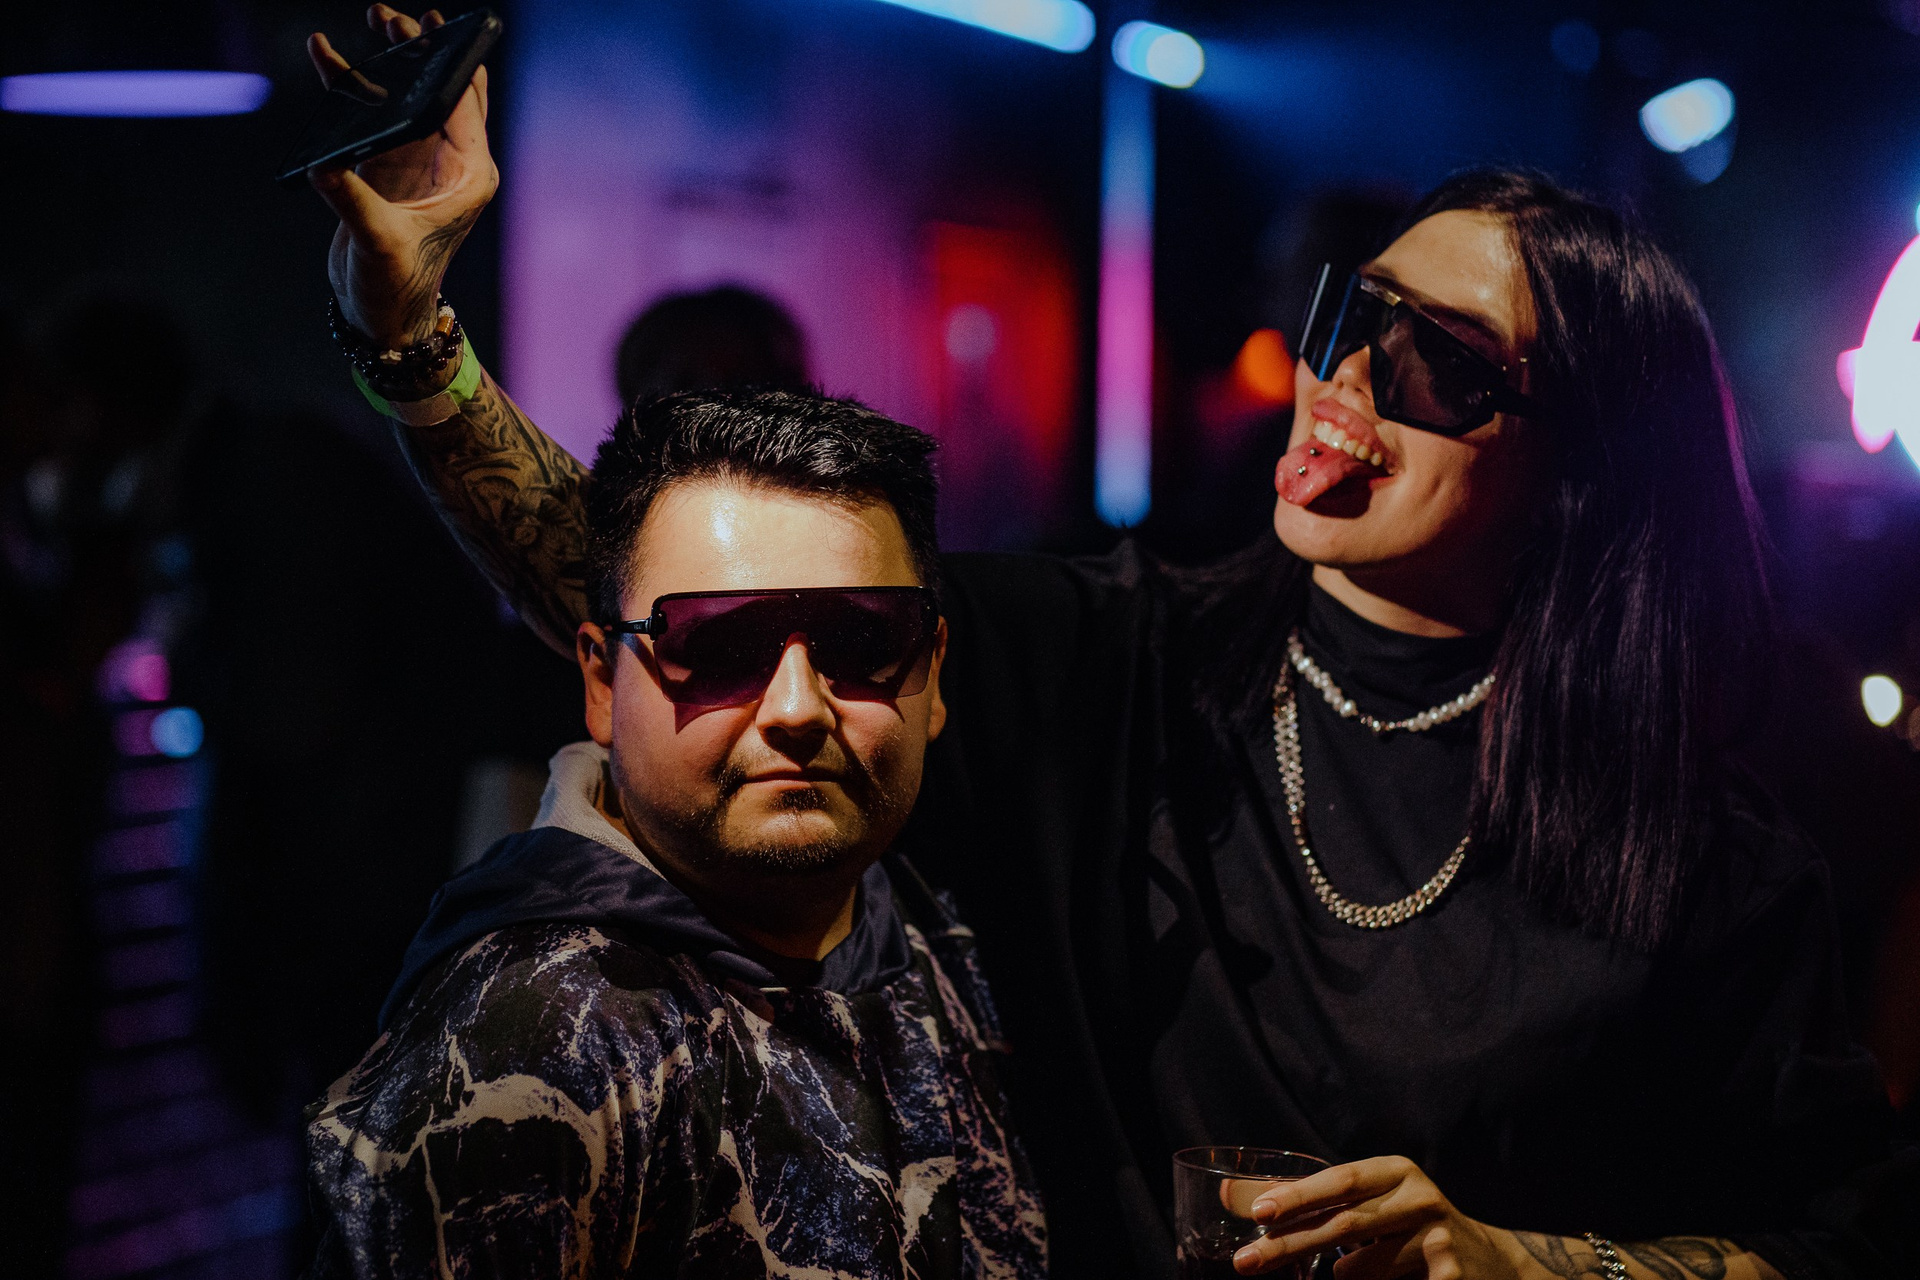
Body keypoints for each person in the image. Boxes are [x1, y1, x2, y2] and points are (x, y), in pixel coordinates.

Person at [305, 8, 1919, 1279]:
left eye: (1439, 366)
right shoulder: (1125, 664)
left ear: (1579, 467)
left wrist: (1516, 1262)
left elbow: (1846, 1239)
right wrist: (413, 338)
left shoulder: (1694, 846)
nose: (1346, 381)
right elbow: (684, 616)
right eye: (1353, 317)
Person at [303, 384, 1046, 1278]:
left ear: (932, 671)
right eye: (719, 645)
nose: (798, 708)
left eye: (860, 642)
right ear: (602, 685)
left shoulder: (922, 921)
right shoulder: (532, 1044)